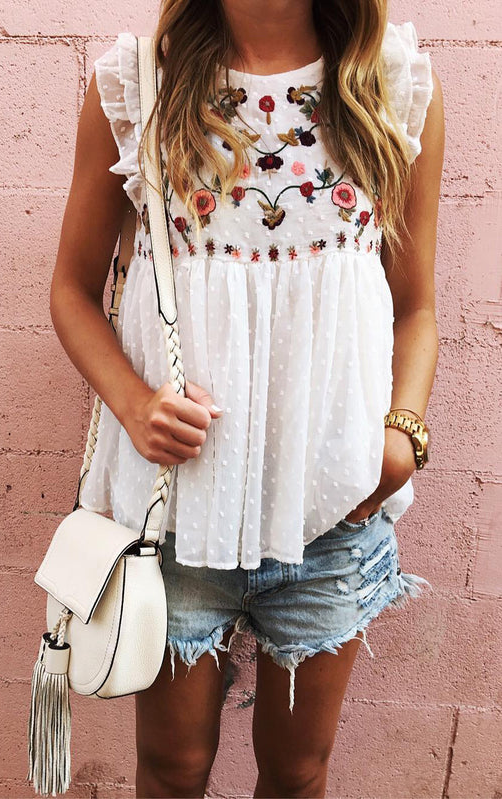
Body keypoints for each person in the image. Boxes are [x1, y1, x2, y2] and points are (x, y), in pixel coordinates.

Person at [50, 0, 444, 796]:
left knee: (297, 772)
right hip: (176, 517)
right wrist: (133, 403)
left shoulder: (391, 87)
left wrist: (400, 438)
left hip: (333, 512)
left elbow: (415, 308)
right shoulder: (137, 86)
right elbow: (70, 289)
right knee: (172, 768)